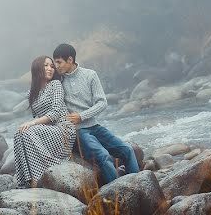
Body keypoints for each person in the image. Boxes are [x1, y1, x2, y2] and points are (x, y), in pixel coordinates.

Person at [52, 43, 139, 185]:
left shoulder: (90, 75)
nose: (56, 66)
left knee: (128, 150)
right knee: (104, 156)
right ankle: (118, 192)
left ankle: (138, 185)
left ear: (70, 60)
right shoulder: (57, 82)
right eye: (55, 62)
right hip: (79, 131)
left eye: (59, 62)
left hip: (95, 126)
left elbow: (102, 102)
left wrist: (82, 116)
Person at [12, 55, 77, 188]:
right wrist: (31, 124)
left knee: (28, 131)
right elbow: (37, 116)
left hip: (62, 129)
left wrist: (31, 123)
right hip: (46, 130)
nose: (50, 69)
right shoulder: (32, 93)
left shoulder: (55, 85)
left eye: (52, 66)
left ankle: (39, 177)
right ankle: (26, 180)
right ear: (37, 69)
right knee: (19, 133)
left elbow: (55, 113)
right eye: (46, 66)